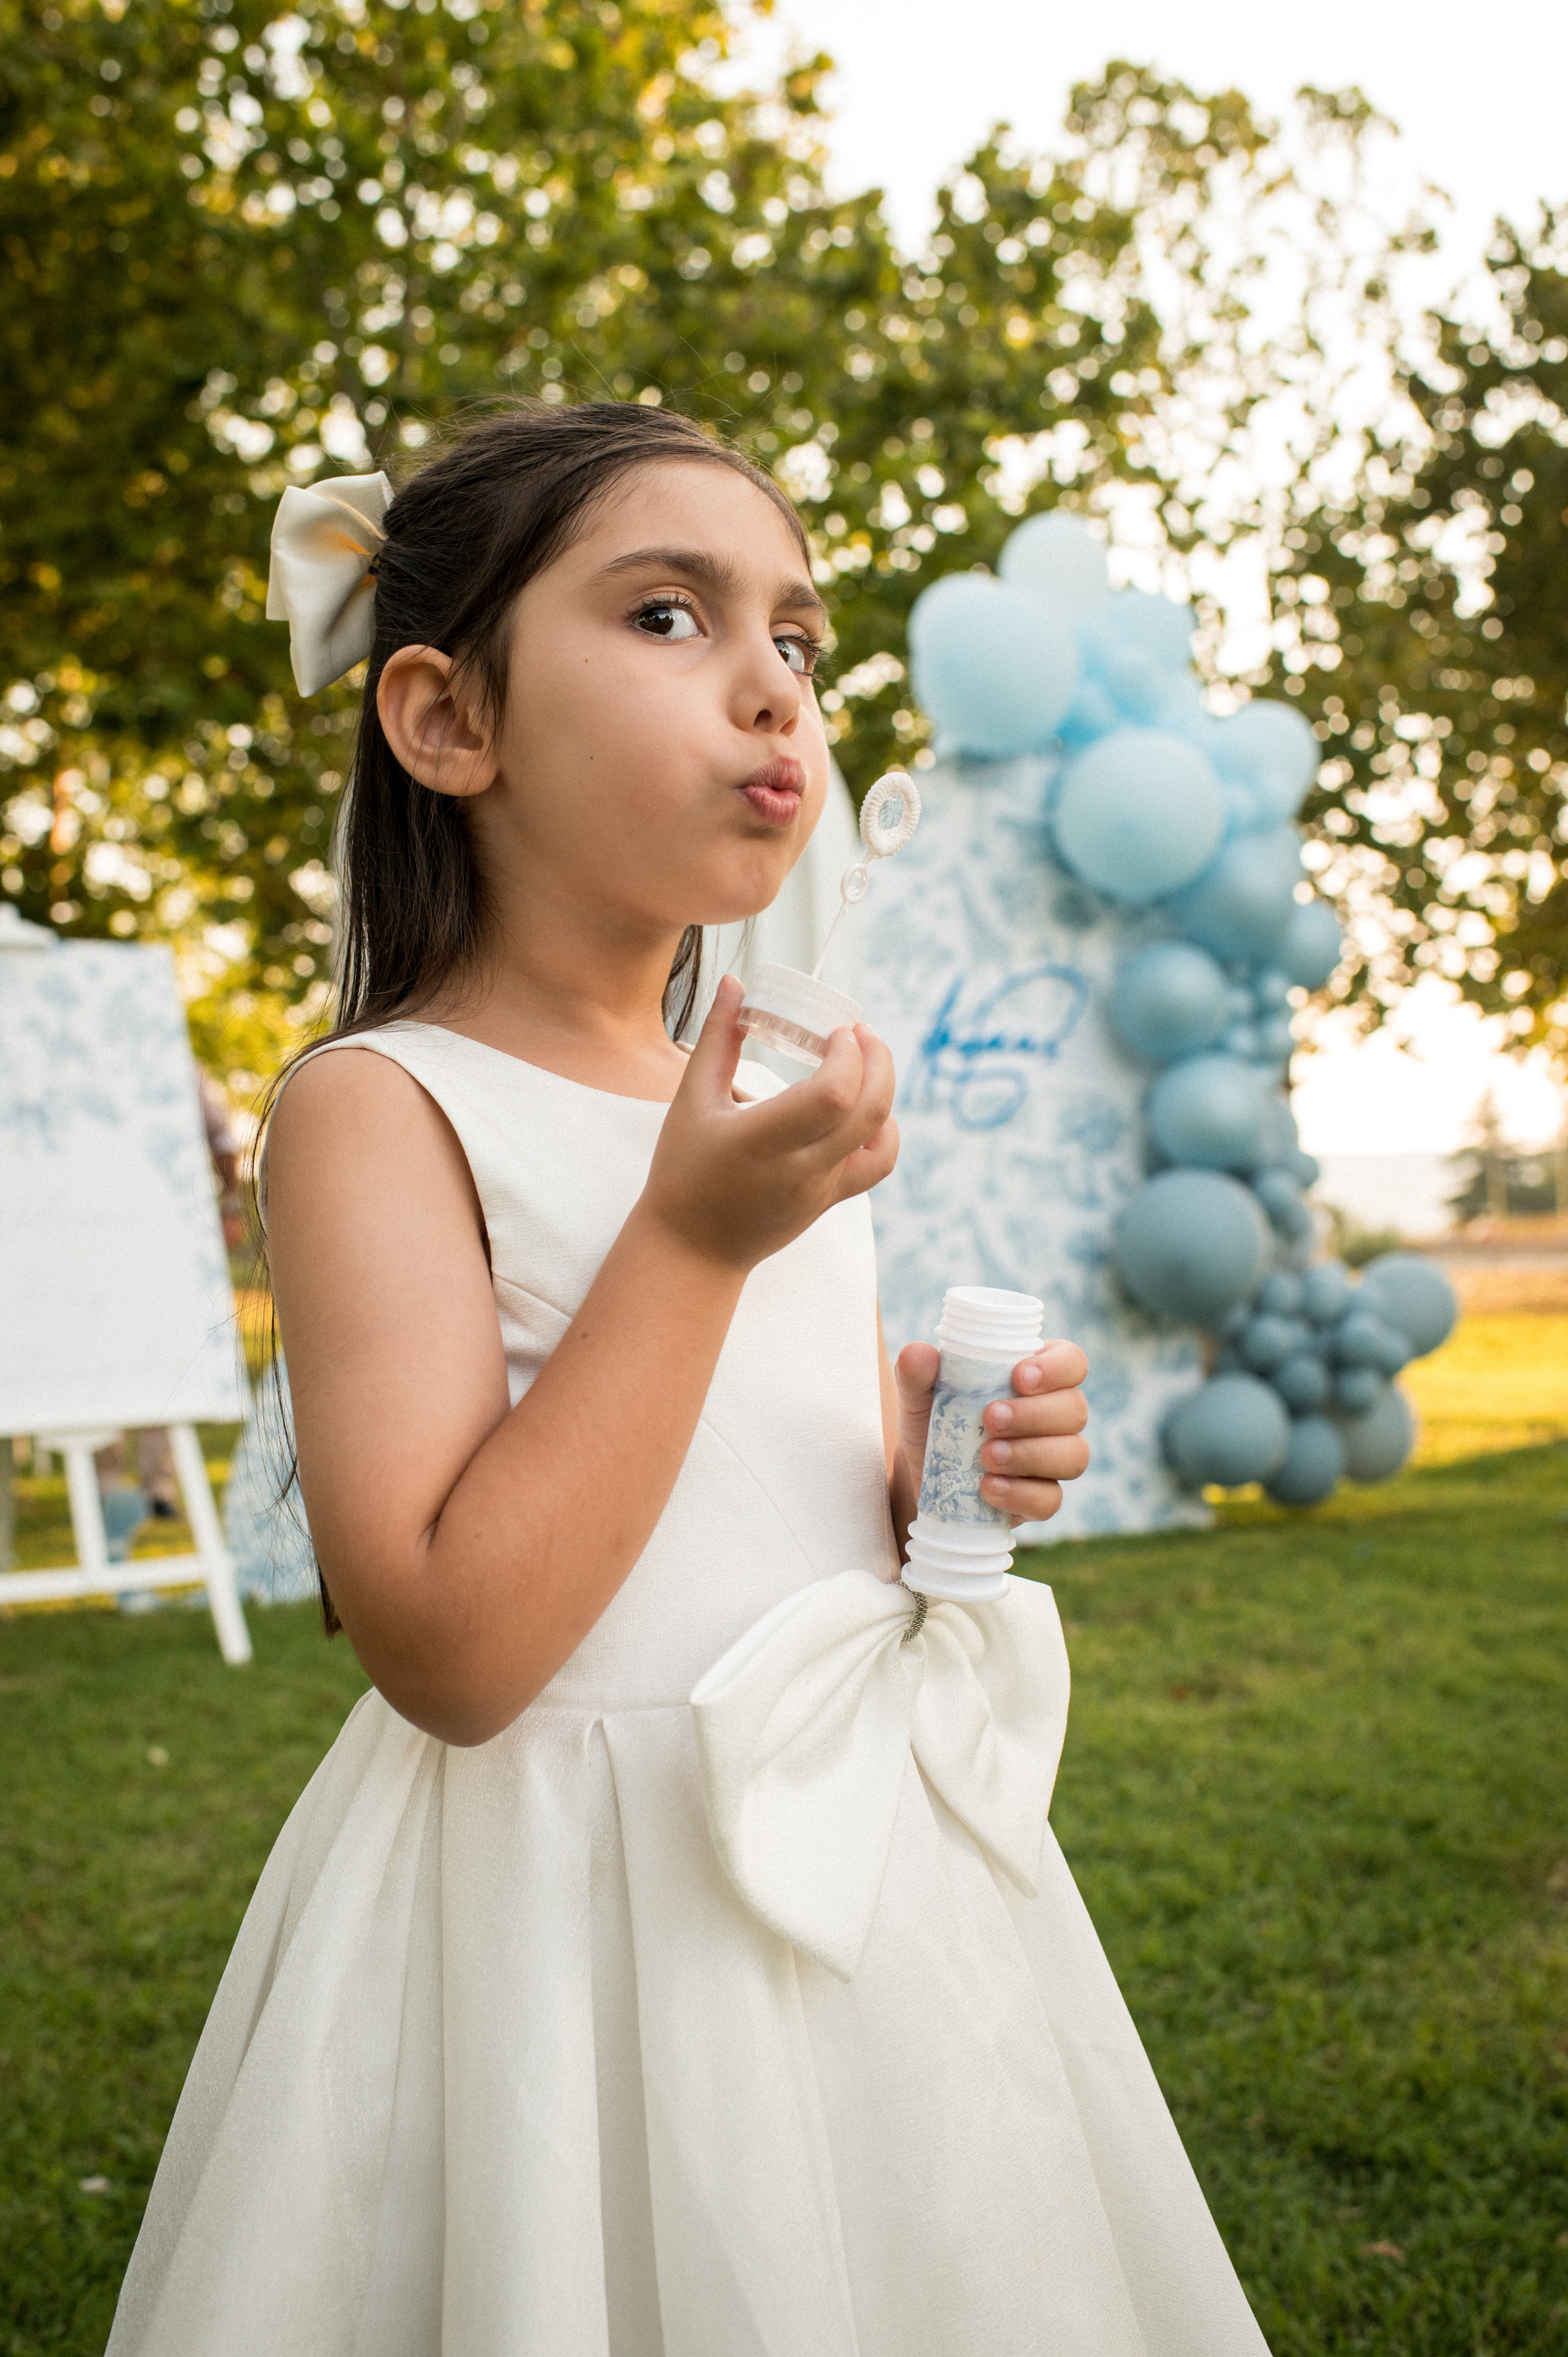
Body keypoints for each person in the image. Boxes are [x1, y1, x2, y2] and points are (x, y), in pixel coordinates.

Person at [107, 402, 1269, 2356]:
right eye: (669, 616)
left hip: (851, 1857)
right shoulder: (381, 1105)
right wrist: (695, 1241)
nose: (773, 692)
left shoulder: (753, 1095)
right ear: (445, 722)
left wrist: (917, 1484)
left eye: (801, 645)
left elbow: (733, 1471)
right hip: (564, 1906)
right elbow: (455, 1647)